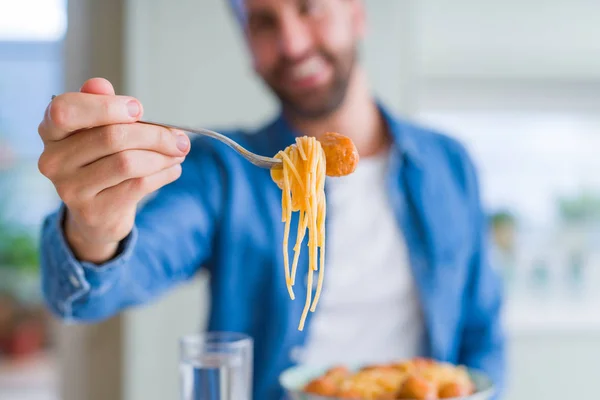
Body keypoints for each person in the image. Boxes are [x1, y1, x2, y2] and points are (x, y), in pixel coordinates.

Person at [37, 0, 506, 399]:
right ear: (246, 45)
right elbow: (101, 289)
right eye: (264, 22)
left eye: (309, 7)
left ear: (356, 12)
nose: (293, 44)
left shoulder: (449, 164)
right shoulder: (224, 170)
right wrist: (95, 229)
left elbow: (482, 334)